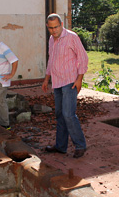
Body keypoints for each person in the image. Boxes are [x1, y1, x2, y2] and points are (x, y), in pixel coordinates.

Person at [42, 13, 88, 158]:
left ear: (61, 25)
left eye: (56, 27)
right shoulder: (51, 39)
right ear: (47, 27)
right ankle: (61, 146)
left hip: (70, 81)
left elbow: (83, 58)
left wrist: (79, 78)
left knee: (68, 114)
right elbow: (51, 59)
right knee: (60, 115)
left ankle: (80, 145)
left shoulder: (72, 37)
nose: (54, 30)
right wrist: (46, 78)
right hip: (57, 82)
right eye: (51, 28)